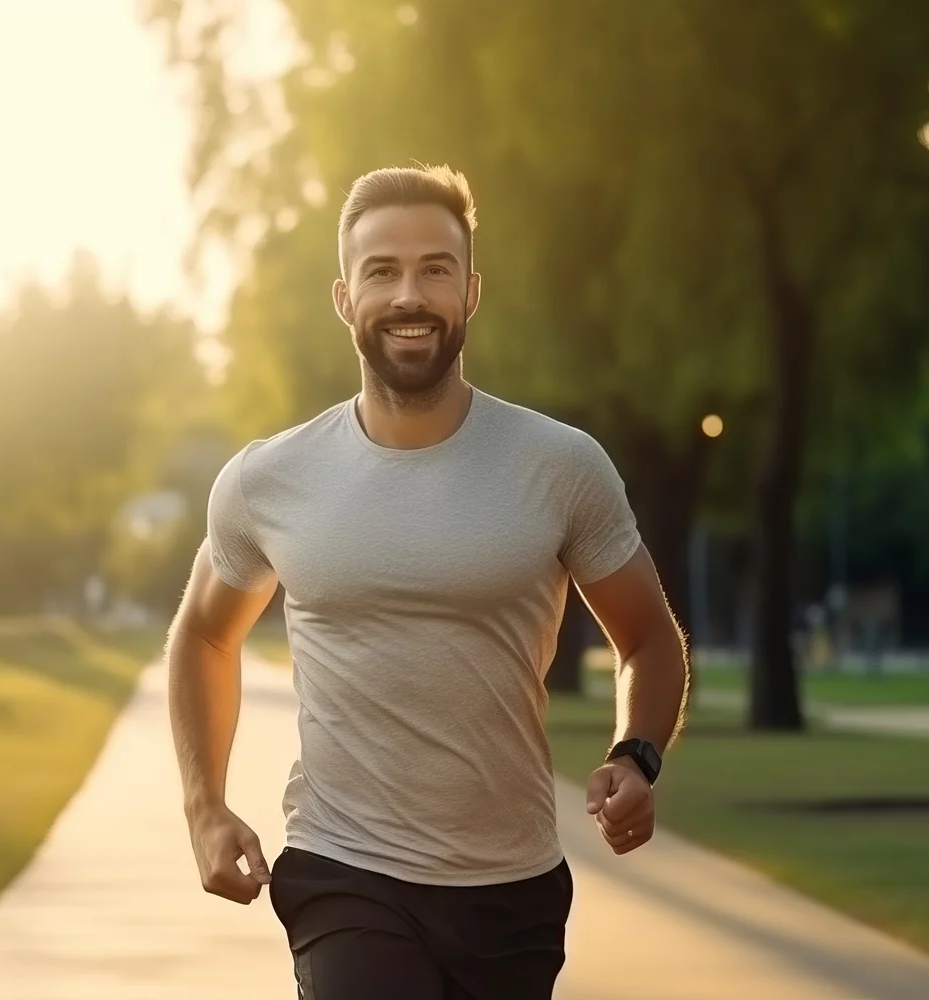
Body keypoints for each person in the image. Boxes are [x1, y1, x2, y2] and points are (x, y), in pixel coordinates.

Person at [165, 163, 690, 999]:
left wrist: (638, 754)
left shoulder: (560, 467)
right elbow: (203, 633)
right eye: (382, 271)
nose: (409, 295)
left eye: (434, 269)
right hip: (345, 870)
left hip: (512, 889)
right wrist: (205, 806)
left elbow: (650, 639)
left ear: (471, 292)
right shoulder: (270, 479)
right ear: (344, 298)